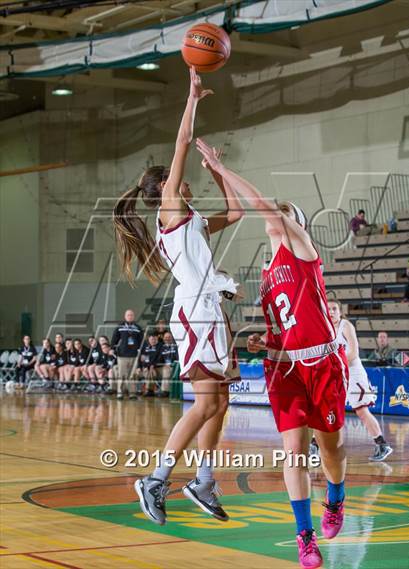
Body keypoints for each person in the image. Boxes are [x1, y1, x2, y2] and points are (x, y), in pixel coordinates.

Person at [197, 139, 348, 569]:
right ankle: (305, 536)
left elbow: (261, 204)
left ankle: (335, 497)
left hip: (323, 363)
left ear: (292, 222)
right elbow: (282, 326)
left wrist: (219, 171)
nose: (272, 217)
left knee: (331, 448)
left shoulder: (303, 251)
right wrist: (267, 342)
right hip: (284, 370)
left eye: (280, 214)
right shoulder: (266, 274)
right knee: (293, 453)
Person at [113, 67, 243, 526]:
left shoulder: (194, 222)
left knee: (220, 402)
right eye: (180, 178)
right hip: (195, 314)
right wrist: (191, 98)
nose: (187, 183)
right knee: (206, 403)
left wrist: (220, 170)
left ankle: (203, 479)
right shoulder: (170, 209)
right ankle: (156, 478)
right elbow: (181, 143)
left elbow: (236, 210)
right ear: (167, 187)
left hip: (210, 311)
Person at [328, 299, 393, 461]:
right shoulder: (326, 329)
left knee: (361, 411)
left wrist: (337, 366)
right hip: (339, 372)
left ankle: (382, 444)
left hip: (353, 372)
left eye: (335, 308)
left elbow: (354, 353)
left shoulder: (346, 326)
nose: (331, 311)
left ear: (340, 311)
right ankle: (315, 445)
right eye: (328, 309)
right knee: (327, 408)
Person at [111, 310, 144, 400]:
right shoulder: (120, 327)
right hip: (122, 355)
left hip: (134, 355)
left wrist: (142, 353)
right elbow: (114, 339)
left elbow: (142, 342)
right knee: (122, 375)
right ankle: (120, 393)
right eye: (128, 315)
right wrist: (112, 349)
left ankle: (132, 394)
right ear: (125, 316)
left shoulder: (138, 328)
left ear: (134, 317)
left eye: (131, 315)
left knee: (132, 375)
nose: (130, 316)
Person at [139, 331, 163, 397]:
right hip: (145, 368)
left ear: (157, 339)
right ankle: (149, 390)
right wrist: (140, 367)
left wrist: (152, 365)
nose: (153, 341)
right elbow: (141, 358)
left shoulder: (160, 346)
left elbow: (159, 358)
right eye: (151, 339)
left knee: (151, 372)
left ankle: (149, 390)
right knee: (148, 371)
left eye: (155, 339)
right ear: (148, 339)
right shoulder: (144, 346)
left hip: (156, 368)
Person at [159, 331, 178, 397]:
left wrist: (172, 364)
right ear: (163, 338)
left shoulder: (176, 346)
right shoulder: (162, 347)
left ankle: (165, 391)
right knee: (165, 369)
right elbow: (159, 360)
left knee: (166, 370)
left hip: (174, 366)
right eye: (166, 337)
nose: (167, 339)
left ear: (172, 338)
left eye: (169, 337)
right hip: (163, 367)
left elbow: (178, 359)